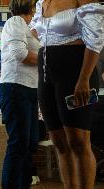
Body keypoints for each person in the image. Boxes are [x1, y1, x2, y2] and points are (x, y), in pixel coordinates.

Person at [30, 0, 104, 188]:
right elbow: (35, 32)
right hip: (46, 75)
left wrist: (84, 79)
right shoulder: (42, 3)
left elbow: (96, 39)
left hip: (75, 73)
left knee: (78, 141)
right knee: (59, 142)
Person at [0, 0, 40, 188]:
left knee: (30, 144)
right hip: (15, 87)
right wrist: (48, 59)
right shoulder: (15, 21)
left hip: (29, 89)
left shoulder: (27, 26)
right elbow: (19, 54)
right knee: (19, 143)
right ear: (29, 6)